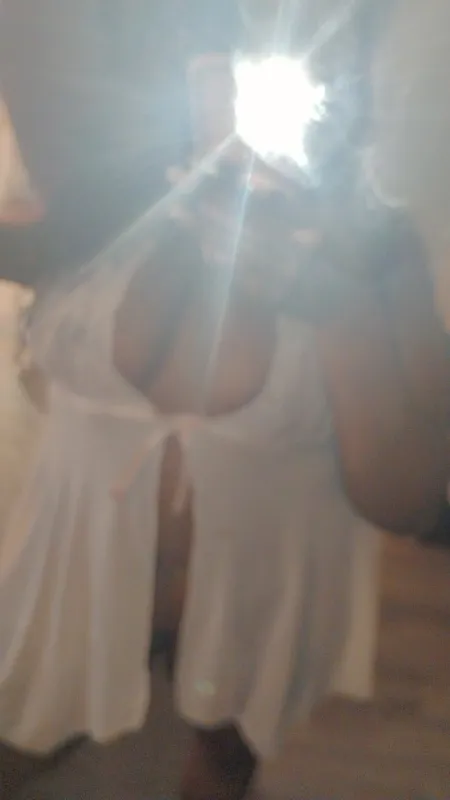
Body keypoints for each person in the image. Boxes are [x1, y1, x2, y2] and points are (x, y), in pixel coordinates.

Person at [0, 2, 449, 799]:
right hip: (52, 656)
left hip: (232, 696)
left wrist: (333, 305)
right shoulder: (108, 195)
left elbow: (409, 498)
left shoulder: (379, 250)